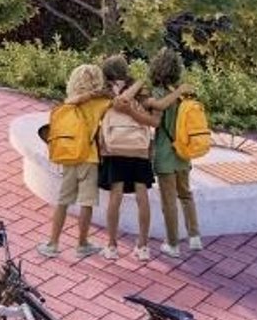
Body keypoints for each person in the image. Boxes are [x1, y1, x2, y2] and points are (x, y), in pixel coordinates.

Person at [96, 54, 167, 261]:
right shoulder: (142, 91)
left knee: (115, 197)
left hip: (114, 149)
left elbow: (118, 104)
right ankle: (143, 247)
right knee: (141, 196)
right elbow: (153, 122)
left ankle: (111, 246)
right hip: (138, 149)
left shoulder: (104, 91)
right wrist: (141, 82)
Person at [37, 62, 109, 259]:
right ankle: (82, 244)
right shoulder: (101, 104)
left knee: (63, 201)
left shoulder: (68, 104)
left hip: (69, 157)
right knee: (87, 202)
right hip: (90, 158)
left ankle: (52, 244)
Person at [148, 48, 203, 259]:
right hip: (183, 152)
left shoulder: (159, 94)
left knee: (169, 202)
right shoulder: (185, 93)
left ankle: (172, 244)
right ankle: (195, 236)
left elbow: (156, 122)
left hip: (165, 154)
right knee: (186, 194)